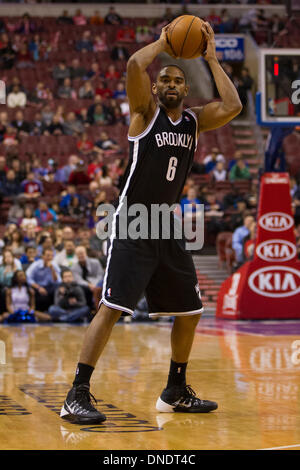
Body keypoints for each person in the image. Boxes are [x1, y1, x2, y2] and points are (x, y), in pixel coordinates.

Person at [60, 22, 241, 424]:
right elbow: (132, 66)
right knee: (111, 308)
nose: (172, 82)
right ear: (156, 89)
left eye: (178, 79)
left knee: (191, 310)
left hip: (168, 227)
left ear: (186, 89)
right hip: (133, 222)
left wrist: (209, 58)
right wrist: (163, 43)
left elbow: (233, 107)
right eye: (165, 79)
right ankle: (76, 393)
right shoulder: (145, 114)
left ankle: (175, 389)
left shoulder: (194, 122)